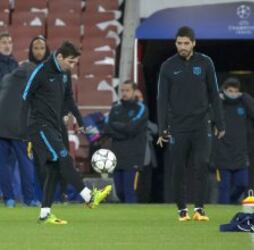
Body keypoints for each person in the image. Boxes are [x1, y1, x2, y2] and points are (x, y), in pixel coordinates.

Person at [22, 41, 112, 224]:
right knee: (64, 159)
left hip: (54, 126)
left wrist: (79, 120)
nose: (72, 66)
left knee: (54, 169)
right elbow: (25, 98)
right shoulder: (41, 71)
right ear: (60, 57)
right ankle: (89, 197)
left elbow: (68, 99)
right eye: (70, 62)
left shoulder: (65, 74)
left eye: (74, 63)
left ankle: (45, 214)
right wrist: (25, 134)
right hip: (39, 126)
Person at [157, 26, 225, 221]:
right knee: (178, 168)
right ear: (175, 43)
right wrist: (162, 128)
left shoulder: (205, 63)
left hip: (202, 124)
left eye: (186, 43)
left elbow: (214, 94)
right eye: (179, 43)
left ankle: (200, 209)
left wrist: (220, 123)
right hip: (178, 126)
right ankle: (182, 210)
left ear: (194, 43)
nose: (183, 47)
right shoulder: (167, 66)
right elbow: (162, 100)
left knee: (201, 164)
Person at [212, 77, 254, 204]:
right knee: (224, 188)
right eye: (230, 91)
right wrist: (217, 99)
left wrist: (245, 96)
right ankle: (223, 212)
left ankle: (231, 202)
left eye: (236, 91)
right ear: (224, 91)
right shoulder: (219, 105)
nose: (233, 94)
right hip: (222, 154)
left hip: (240, 154)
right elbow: (207, 116)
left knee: (242, 184)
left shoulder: (243, 103)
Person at [106, 80, 148, 203]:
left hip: (133, 156)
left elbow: (132, 128)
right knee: (119, 192)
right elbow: (107, 128)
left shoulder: (141, 108)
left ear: (134, 91)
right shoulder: (115, 108)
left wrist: (117, 126)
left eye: (127, 90)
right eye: (122, 90)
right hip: (117, 155)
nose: (124, 93)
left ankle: (134, 220)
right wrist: (124, 128)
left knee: (130, 191)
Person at [0, 31, 20, 207]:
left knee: (10, 160)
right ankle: (8, 196)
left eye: (9, 41)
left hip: (13, 121)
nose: (7, 45)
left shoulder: (15, 65)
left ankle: (9, 196)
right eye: (4, 42)